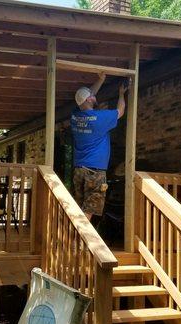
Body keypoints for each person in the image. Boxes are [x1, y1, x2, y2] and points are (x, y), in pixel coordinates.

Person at [71, 73, 128, 220]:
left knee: (79, 207)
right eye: (92, 95)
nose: (94, 94)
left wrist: (101, 80)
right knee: (89, 209)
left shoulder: (75, 116)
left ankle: (73, 238)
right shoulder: (100, 118)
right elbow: (120, 111)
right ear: (89, 99)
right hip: (94, 173)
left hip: (79, 170)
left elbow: (87, 97)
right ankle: (81, 240)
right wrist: (121, 94)